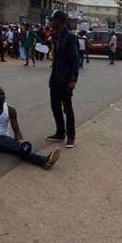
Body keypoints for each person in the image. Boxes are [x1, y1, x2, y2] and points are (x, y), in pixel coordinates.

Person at [46, 10, 79, 148]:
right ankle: (60, 133)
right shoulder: (55, 36)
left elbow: (75, 61)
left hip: (66, 80)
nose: (51, 22)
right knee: (55, 108)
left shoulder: (70, 38)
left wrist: (73, 80)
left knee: (67, 109)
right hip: (55, 79)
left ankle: (70, 137)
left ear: (61, 22)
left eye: (53, 20)